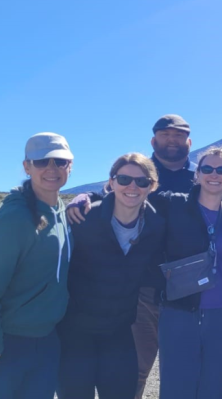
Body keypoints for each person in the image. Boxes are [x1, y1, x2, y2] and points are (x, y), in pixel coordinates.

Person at [66, 114, 196, 399]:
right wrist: (83, 196)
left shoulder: (203, 176)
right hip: (140, 290)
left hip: (183, 290)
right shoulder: (136, 172)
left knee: (181, 370)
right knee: (134, 369)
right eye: (165, 135)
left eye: (178, 135)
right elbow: (109, 192)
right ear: (154, 140)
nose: (171, 140)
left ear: (189, 141)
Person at [56, 153, 165, 399]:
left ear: (152, 186)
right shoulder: (82, 218)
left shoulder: (155, 226)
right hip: (75, 332)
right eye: (124, 179)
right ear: (112, 182)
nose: (132, 187)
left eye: (142, 182)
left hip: (119, 332)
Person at [151, 146, 222, 399]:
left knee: (216, 387)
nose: (214, 174)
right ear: (197, 175)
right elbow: (130, 195)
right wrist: (86, 198)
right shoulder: (173, 204)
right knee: (176, 387)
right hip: (179, 313)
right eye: (207, 169)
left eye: (221, 169)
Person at [0, 132, 74, 399]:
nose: (51, 169)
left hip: (47, 341)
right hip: (9, 344)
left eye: (60, 162)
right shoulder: (14, 218)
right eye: (42, 162)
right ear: (27, 166)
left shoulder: (62, 213)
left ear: (70, 166)